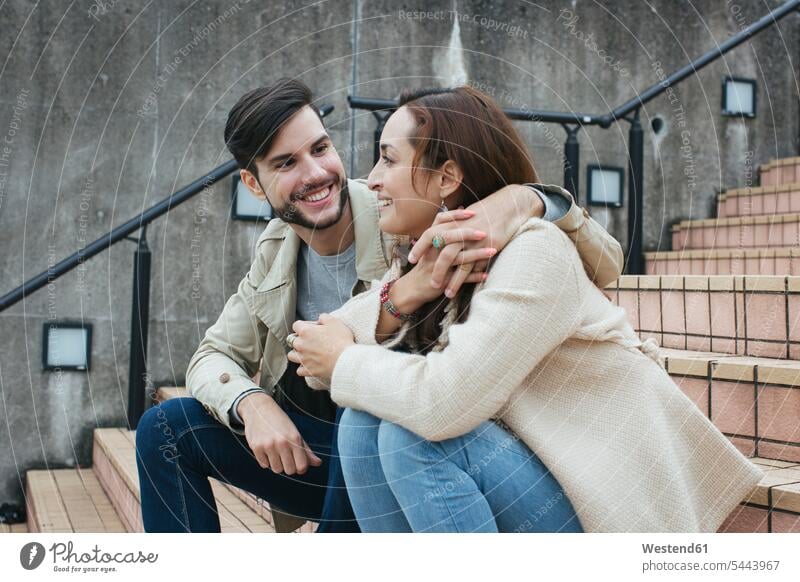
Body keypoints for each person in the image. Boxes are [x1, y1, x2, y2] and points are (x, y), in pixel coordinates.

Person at [134, 79, 624, 532]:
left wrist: (528, 199)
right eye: (286, 164)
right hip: (327, 451)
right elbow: (211, 355)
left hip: (407, 438)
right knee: (165, 430)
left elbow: (604, 261)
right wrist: (250, 404)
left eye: (321, 148)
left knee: (370, 417)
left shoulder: (401, 213)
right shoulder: (278, 247)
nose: (317, 173)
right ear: (254, 185)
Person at [288, 86, 765, 533]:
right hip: (532, 475)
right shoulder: (436, 255)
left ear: (447, 177)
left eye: (388, 159)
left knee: (409, 439)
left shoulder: (535, 255)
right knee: (361, 423)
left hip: (605, 514)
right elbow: (322, 348)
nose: (370, 180)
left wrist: (345, 361)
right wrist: (407, 290)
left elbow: (441, 405)